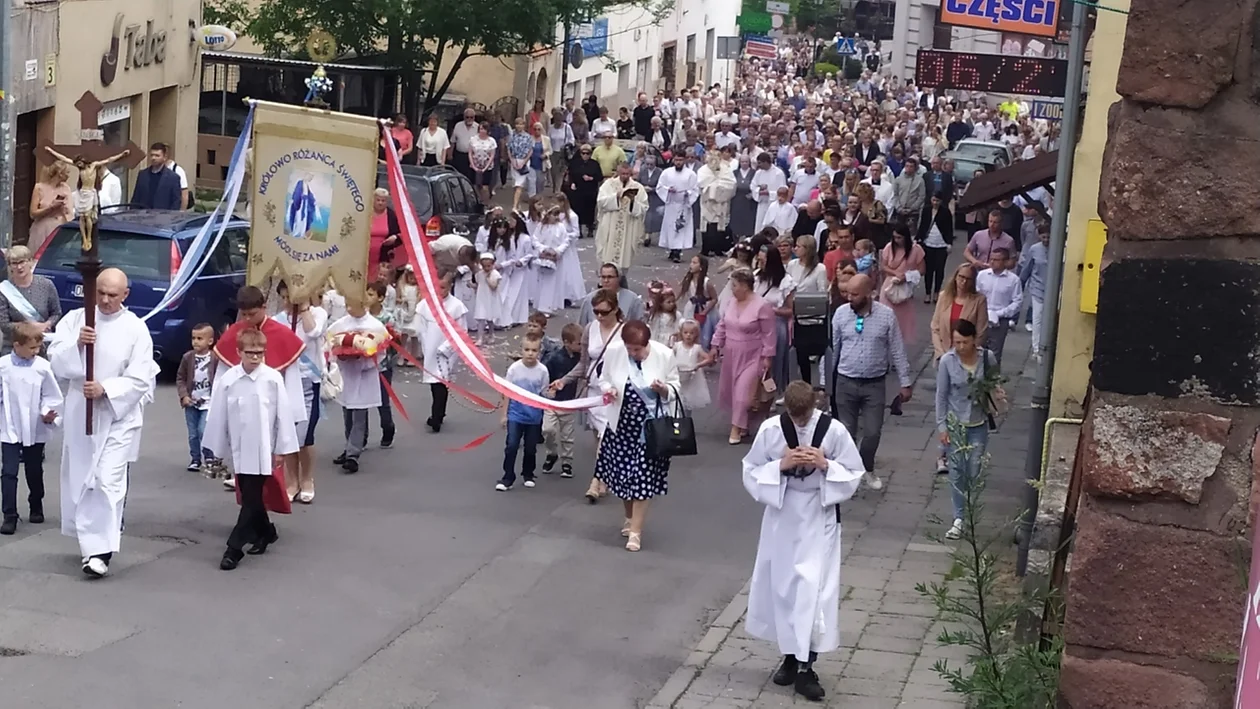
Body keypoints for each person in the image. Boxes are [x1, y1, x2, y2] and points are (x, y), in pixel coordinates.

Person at [742, 380, 864, 702]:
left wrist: (825, 465)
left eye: (803, 416)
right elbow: (751, 469)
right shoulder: (771, 430)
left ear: (814, 406)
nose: (798, 422)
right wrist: (780, 466)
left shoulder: (833, 431)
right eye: (793, 416)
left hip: (818, 516)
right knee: (784, 588)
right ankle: (789, 656)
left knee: (813, 589)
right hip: (783, 516)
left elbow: (854, 472)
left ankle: (807, 666)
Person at [48, 268, 160, 578]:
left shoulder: (136, 329)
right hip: (80, 411)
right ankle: (89, 543)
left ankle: (101, 552)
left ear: (126, 295)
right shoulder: (75, 319)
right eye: (101, 293)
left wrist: (106, 389)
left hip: (116, 416)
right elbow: (55, 357)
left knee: (108, 480)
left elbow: (140, 377)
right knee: (83, 479)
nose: (106, 300)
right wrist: (78, 346)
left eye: (113, 295)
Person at [205, 328, 300, 571]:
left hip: (263, 447)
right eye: (250, 353)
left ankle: (233, 549)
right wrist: (217, 448)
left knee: (251, 498)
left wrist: (282, 447)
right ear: (239, 352)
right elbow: (219, 415)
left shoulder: (272, 379)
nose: (255, 358)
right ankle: (266, 531)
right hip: (239, 447)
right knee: (251, 497)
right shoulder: (229, 381)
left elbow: (283, 415)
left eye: (259, 353)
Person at [591, 320, 680, 552]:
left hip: (650, 430)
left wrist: (664, 390)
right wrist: (608, 389)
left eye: (637, 349)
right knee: (623, 477)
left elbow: (676, 387)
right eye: (629, 348)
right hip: (620, 427)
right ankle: (629, 517)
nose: (633, 353)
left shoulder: (664, 354)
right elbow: (604, 378)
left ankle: (636, 532)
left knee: (642, 479)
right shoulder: (614, 353)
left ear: (646, 343)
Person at [218, 287, 308, 493]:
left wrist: (293, 412)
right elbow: (223, 376)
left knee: (269, 463)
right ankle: (243, 483)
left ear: (264, 308)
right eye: (244, 314)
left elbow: (291, 379)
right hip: (242, 409)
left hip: (271, 408)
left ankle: (268, 499)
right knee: (243, 456)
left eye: (253, 314)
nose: (248, 319)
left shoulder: (282, 334)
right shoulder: (235, 333)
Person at [829, 274, 913, 491]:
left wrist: (905, 382)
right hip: (845, 381)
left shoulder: (886, 316)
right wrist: (825, 382)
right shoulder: (840, 314)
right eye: (847, 293)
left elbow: (897, 349)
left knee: (873, 432)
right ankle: (848, 475)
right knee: (847, 431)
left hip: (874, 384)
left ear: (869, 294)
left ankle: (866, 467)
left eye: (855, 294)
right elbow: (832, 350)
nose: (849, 298)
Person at [935, 319, 996, 540]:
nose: (960, 347)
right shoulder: (947, 362)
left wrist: (996, 394)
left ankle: (969, 509)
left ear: (973, 341)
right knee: (957, 471)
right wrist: (942, 426)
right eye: (957, 342)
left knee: (974, 469)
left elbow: (994, 382)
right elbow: (941, 396)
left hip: (978, 423)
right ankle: (959, 517)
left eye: (965, 342)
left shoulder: (987, 359)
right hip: (955, 424)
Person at [0, 322, 62, 536]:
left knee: (34, 469)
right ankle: (9, 515)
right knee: (8, 471)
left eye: (38, 348)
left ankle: (36, 503)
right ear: (17, 345)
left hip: (34, 426)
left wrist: (48, 413)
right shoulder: (3, 366)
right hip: (9, 424)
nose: (36, 352)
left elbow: (51, 395)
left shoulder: (42, 367)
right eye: (32, 348)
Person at [708, 269, 777, 445]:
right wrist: (716, 345)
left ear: (746, 286)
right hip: (731, 353)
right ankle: (744, 423)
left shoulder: (762, 305)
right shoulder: (732, 302)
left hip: (753, 354)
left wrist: (768, 357)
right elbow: (723, 325)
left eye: (735, 286)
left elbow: (769, 333)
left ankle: (736, 428)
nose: (732, 289)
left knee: (743, 394)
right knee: (732, 390)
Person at [327, 297, 388, 473]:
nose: (348, 308)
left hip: (365, 374)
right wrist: (340, 357)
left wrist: (365, 359)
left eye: (352, 305)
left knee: (359, 413)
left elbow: (381, 352)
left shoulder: (374, 325)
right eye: (346, 305)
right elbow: (330, 344)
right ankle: (349, 447)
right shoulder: (341, 324)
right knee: (347, 411)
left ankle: (353, 454)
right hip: (347, 373)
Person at [416, 271, 468, 433]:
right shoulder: (426, 304)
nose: (440, 291)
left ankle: (436, 417)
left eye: (443, 287)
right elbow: (420, 328)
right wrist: (425, 345)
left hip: (447, 350)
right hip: (430, 347)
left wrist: (446, 348)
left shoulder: (456, 306)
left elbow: (461, 331)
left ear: (451, 286)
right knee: (434, 381)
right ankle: (439, 412)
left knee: (441, 382)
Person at [496, 335, 551, 491]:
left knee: (530, 447)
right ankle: (508, 477)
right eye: (526, 350)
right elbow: (507, 392)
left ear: (539, 352)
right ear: (521, 350)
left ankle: (528, 473)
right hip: (515, 414)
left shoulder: (542, 371)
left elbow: (543, 393)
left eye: (534, 350)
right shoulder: (514, 369)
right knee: (512, 445)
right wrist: (504, 415)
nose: (530, 353)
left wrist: (550, 396)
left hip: (534, 416)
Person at [0, 245, 61, 352]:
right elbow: (4, 325)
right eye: (14, 263)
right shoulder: (3, 290)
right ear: (9, 266)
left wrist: (47, 324)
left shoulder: (46, 285)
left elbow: (56, 313)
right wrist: (30, 327)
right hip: (14, 347)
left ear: (31, 262)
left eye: (22, 262)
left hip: (41, 345)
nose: (19, 267)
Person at [541, 323, 583, 479]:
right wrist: (547, 391)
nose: (581, 346)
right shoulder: (554, 358)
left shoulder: (582, 359)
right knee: (548, 429)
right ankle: (551, 453)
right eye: (578, 343)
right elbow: (544, 375)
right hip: (552, 402)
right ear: (567, 342)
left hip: (569, 402)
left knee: (567, 435)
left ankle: (567, 461)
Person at [176, 323, 218, 472]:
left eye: (200, 338)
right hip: (191, 403)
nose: (195, 341)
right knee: (193, 434)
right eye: (193, 338)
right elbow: (180, 378)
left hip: (208, 402)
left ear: (210, 341)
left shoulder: (215, 358)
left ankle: (209, 456)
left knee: (203, 430)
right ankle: (195, 458)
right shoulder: (188, 358)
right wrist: (184, 396)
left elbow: (220, 378)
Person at [595, 163, 648, 273]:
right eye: (623, 174)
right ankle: (606, 277)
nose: (625, 176)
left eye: (627, 174)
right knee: (607, 253)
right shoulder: (608, 185)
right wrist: (616, 197)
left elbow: (644, 207)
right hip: (611, 225)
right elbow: (601, 202)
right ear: (618, 173)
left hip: (628, 226)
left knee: (624, 255)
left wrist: (633, 201)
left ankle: (622, 278)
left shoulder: (638, 187)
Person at [974, 248, 1022, 367]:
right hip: (981, 318)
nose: (992, 262)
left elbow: (1017, 301)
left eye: (997, 259)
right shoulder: (982, 275)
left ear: (1005, 262)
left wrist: (1001, 313)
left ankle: (992, 382)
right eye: (991, 259)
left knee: (995, 354)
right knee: (977, 350)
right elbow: (975, 294)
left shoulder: (1013, 280)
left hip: (1000, 321)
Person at [657, 152, 700, 263]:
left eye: (680, 160)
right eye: (676, 160)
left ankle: (677, 252)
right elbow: (660, 186)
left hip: (683, 205)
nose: (678, 162)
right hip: (671, 204)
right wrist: (668, 190)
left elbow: (695, 189)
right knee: (671, 228)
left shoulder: (691, 174)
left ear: (684, 160)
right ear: (673, 160)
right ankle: (672, 249)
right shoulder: (667, 173)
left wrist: (688, 193)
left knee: (680, 229)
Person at [916, 191, 954, 304]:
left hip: (941, 244)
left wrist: (949, 243)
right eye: (933, 200)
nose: (935, 202)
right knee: (928, 270)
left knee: (939, 269)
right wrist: (918, 238)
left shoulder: (945, 212)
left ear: (941, 201)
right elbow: (923, 225)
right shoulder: (926, 210)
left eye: (937, 200)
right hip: (928, 243)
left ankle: (937, 292)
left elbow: (949, 228)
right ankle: (928, 293)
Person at [697, 151, 737, 257]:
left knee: (719, 226)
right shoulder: (703, 170)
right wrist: (713, 188)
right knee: (707, 226)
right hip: (708, 204)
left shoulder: (726, 169)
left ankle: (718, 249)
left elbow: (730, 183)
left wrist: (717, 188)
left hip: (721, 203)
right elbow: (701, 183)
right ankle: (705, 249)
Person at [28, 163, 73, 254]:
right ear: (59, 173)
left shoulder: (66, 188)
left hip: (59, 226)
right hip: (42, 228)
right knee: (39, 256)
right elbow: (33, 213)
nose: (69, 175)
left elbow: (70, 212)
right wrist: (51, 207)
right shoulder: (39, 188)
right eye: (67, 172)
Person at [565, 144, 604, 239]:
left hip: (590, 190)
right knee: (578, 209)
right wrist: (573, 182)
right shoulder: (575, 163)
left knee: (590, 209)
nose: (585, 155)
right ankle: (579, 230)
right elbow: (571, 174)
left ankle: (590, 228)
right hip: (578, 190)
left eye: (588, 153)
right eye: (583, 153)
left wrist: (591, 178)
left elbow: (600, 176)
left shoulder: (594, 164)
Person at [131, 143, 183, 210]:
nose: (153, 158)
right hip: (143, 217)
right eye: (152, 155)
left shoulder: (173, 178)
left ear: (164, 157)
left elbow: (176, 202)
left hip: (163, 217)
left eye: (157, 155)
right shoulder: (142, 175)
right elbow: (136, 198)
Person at [368, 188, 403, 275]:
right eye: (378, 200)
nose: (380, 203)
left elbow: (401, 234)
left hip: (382, 257)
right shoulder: (365, 213)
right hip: (364, 256)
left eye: (383, 200)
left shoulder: (392, 216)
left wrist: (395, 237)